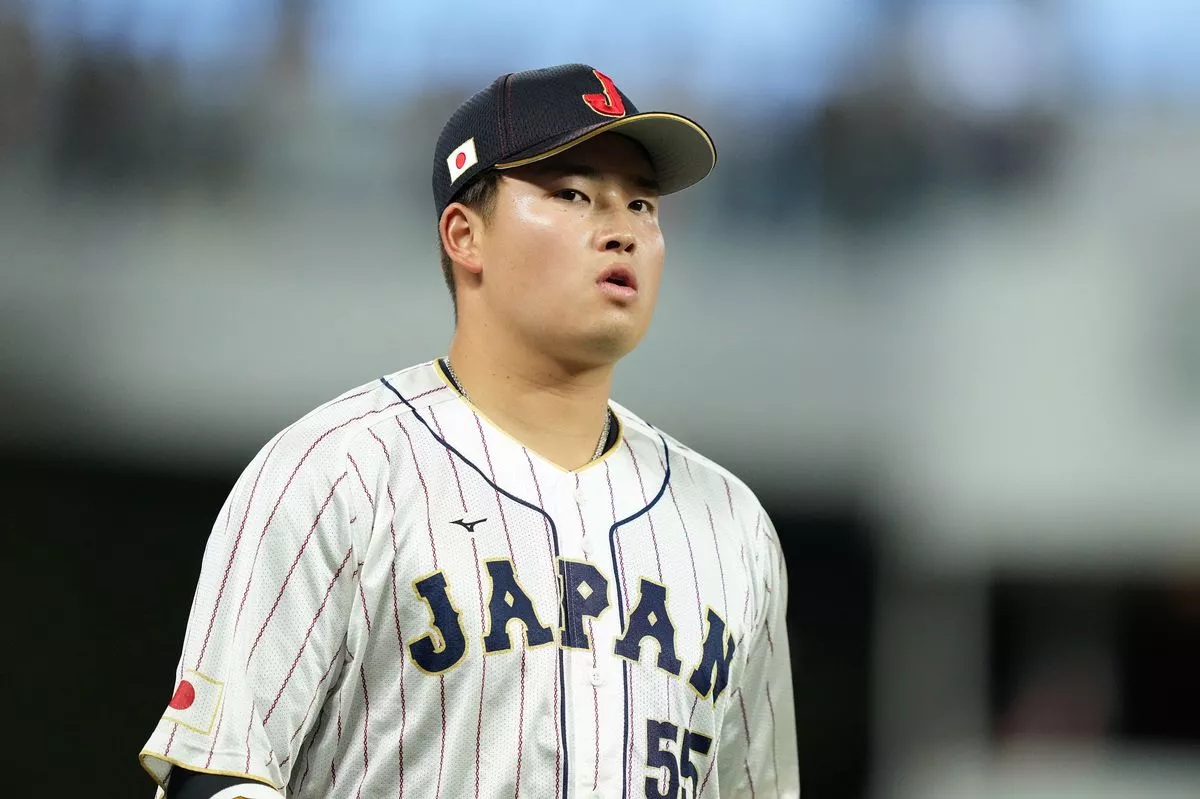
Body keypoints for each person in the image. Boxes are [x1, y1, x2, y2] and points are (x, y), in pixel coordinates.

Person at [139, 63, 799, 799]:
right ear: (465, 235)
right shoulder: (336, 473)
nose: (623, 231)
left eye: (642, 204)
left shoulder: (732, 527)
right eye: (574, 194)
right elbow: (216, 776)